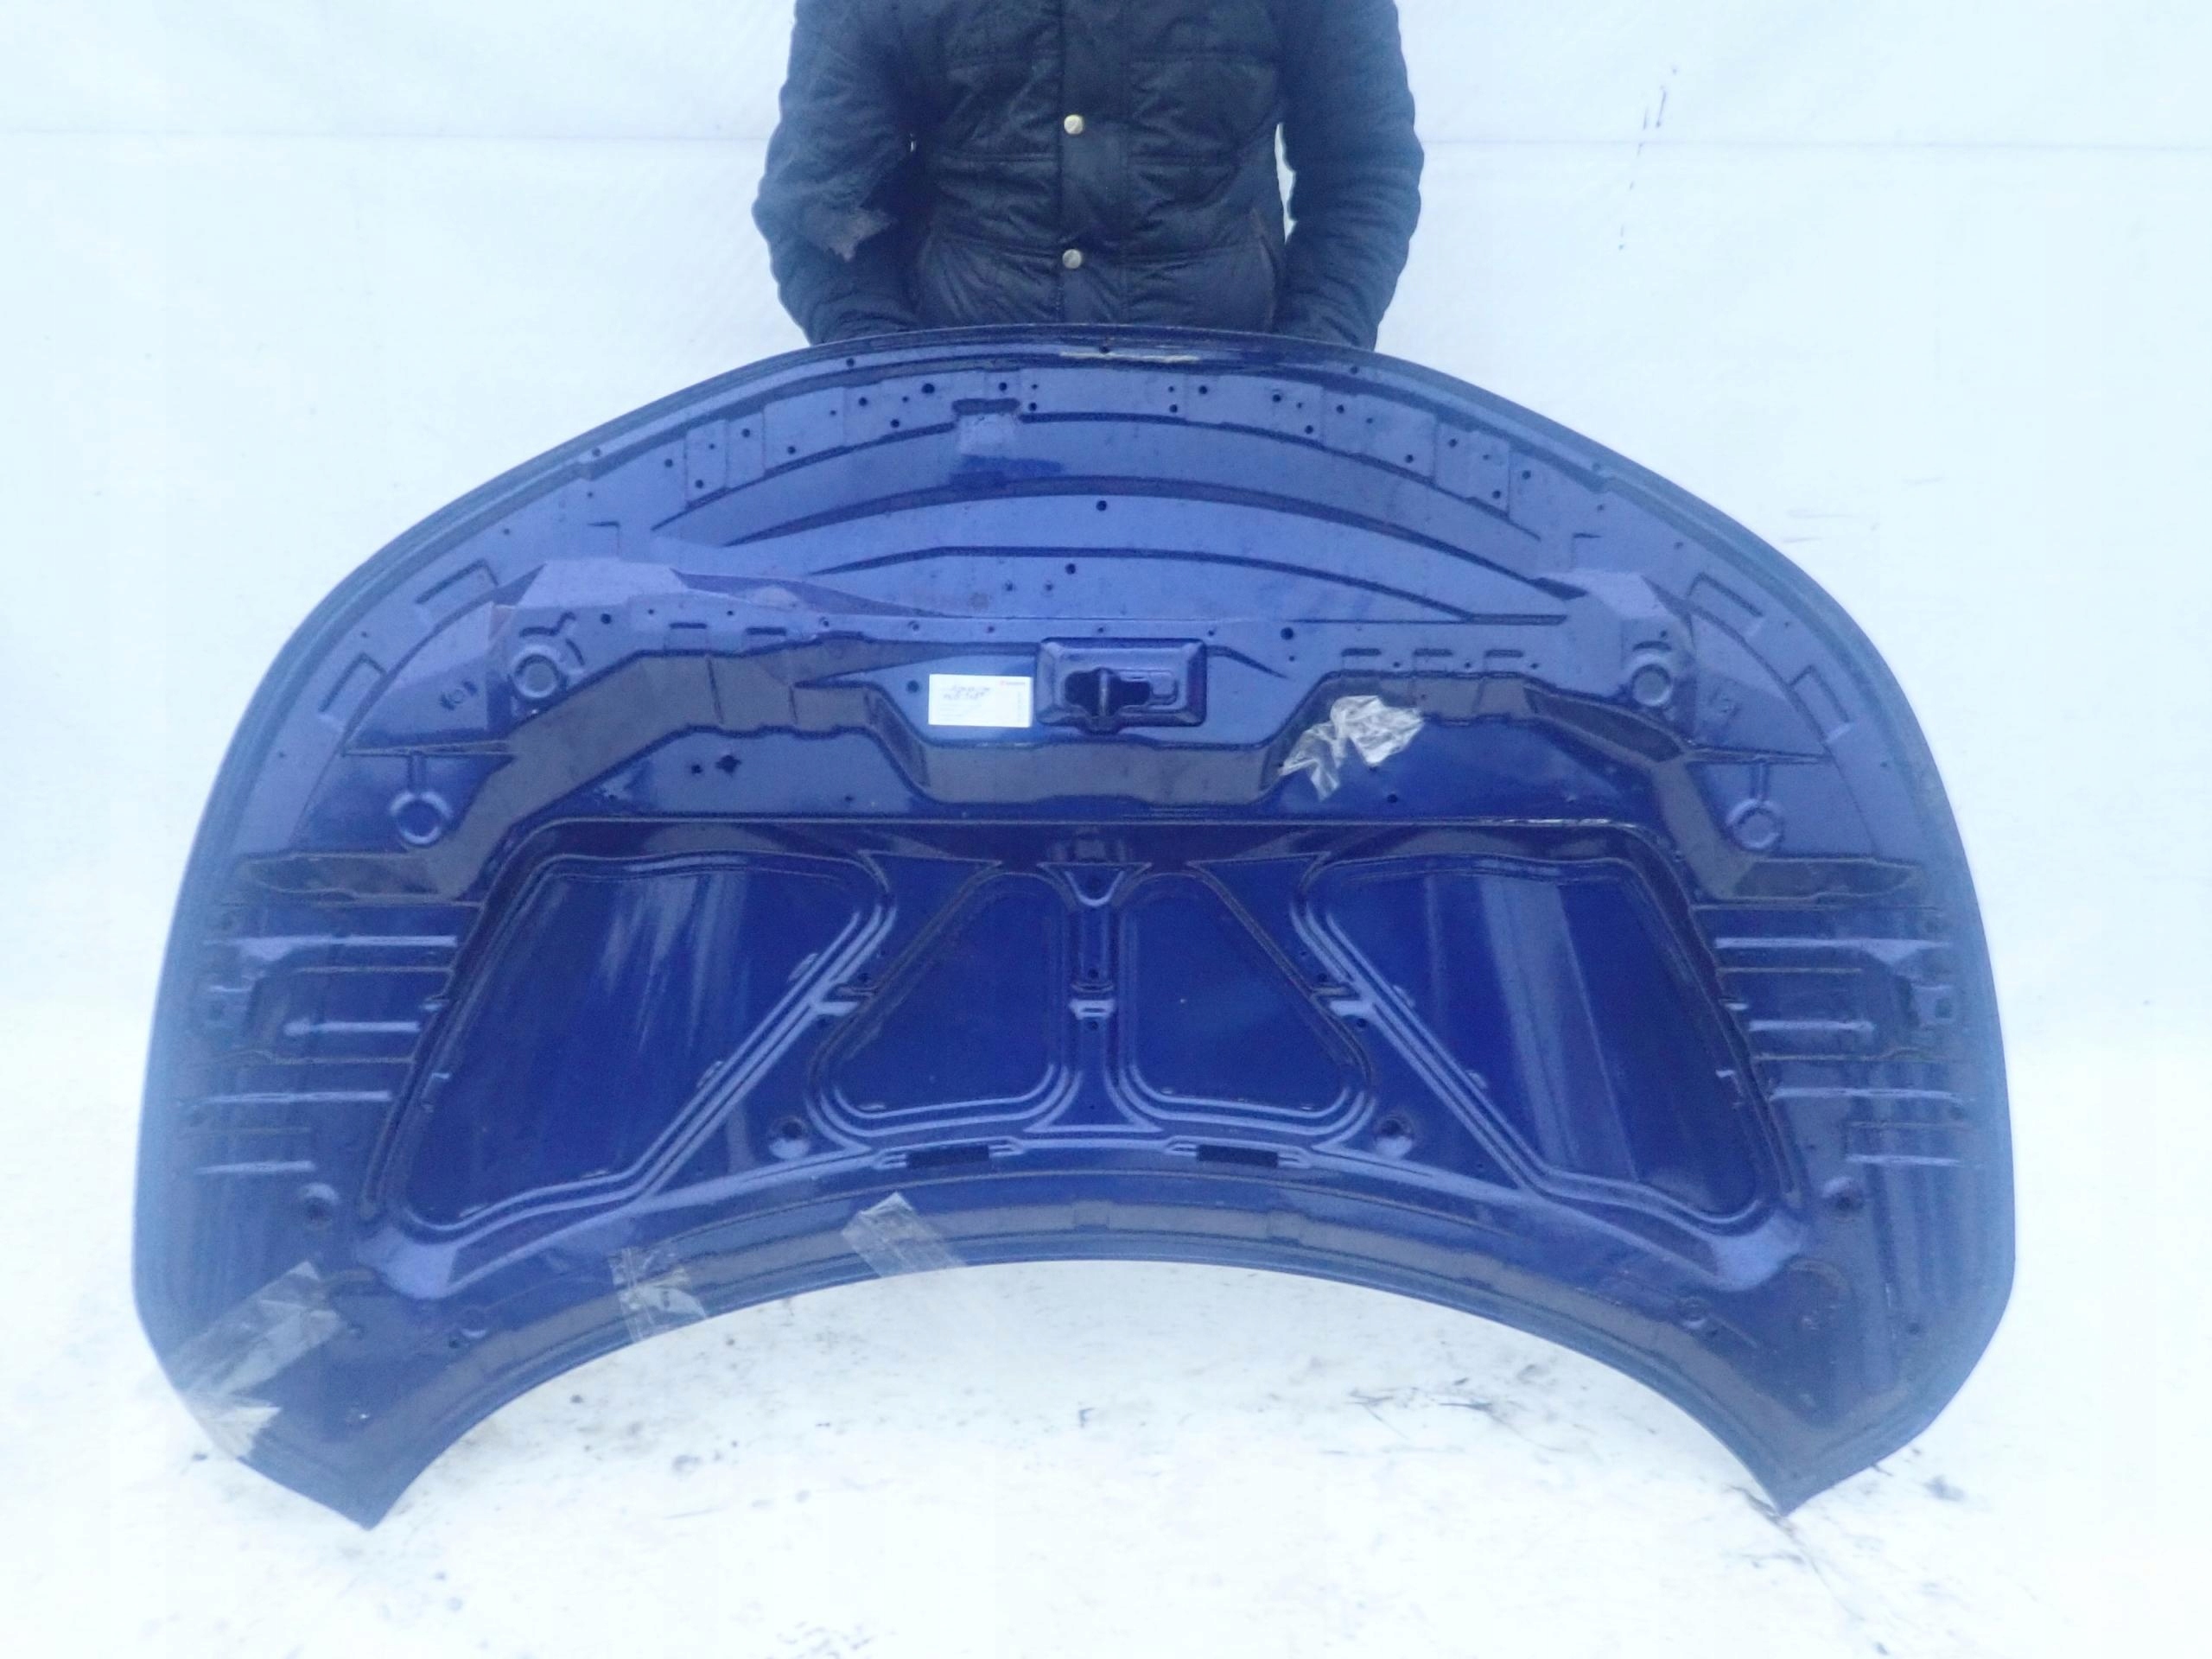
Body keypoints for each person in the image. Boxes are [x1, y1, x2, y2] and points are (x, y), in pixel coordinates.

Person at [754, 0, 1423, 350]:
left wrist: (1304, 367)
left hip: (1226, 423)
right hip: (964, 437)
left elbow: (1363, 171)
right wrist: (898, 386)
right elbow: (821, 203)